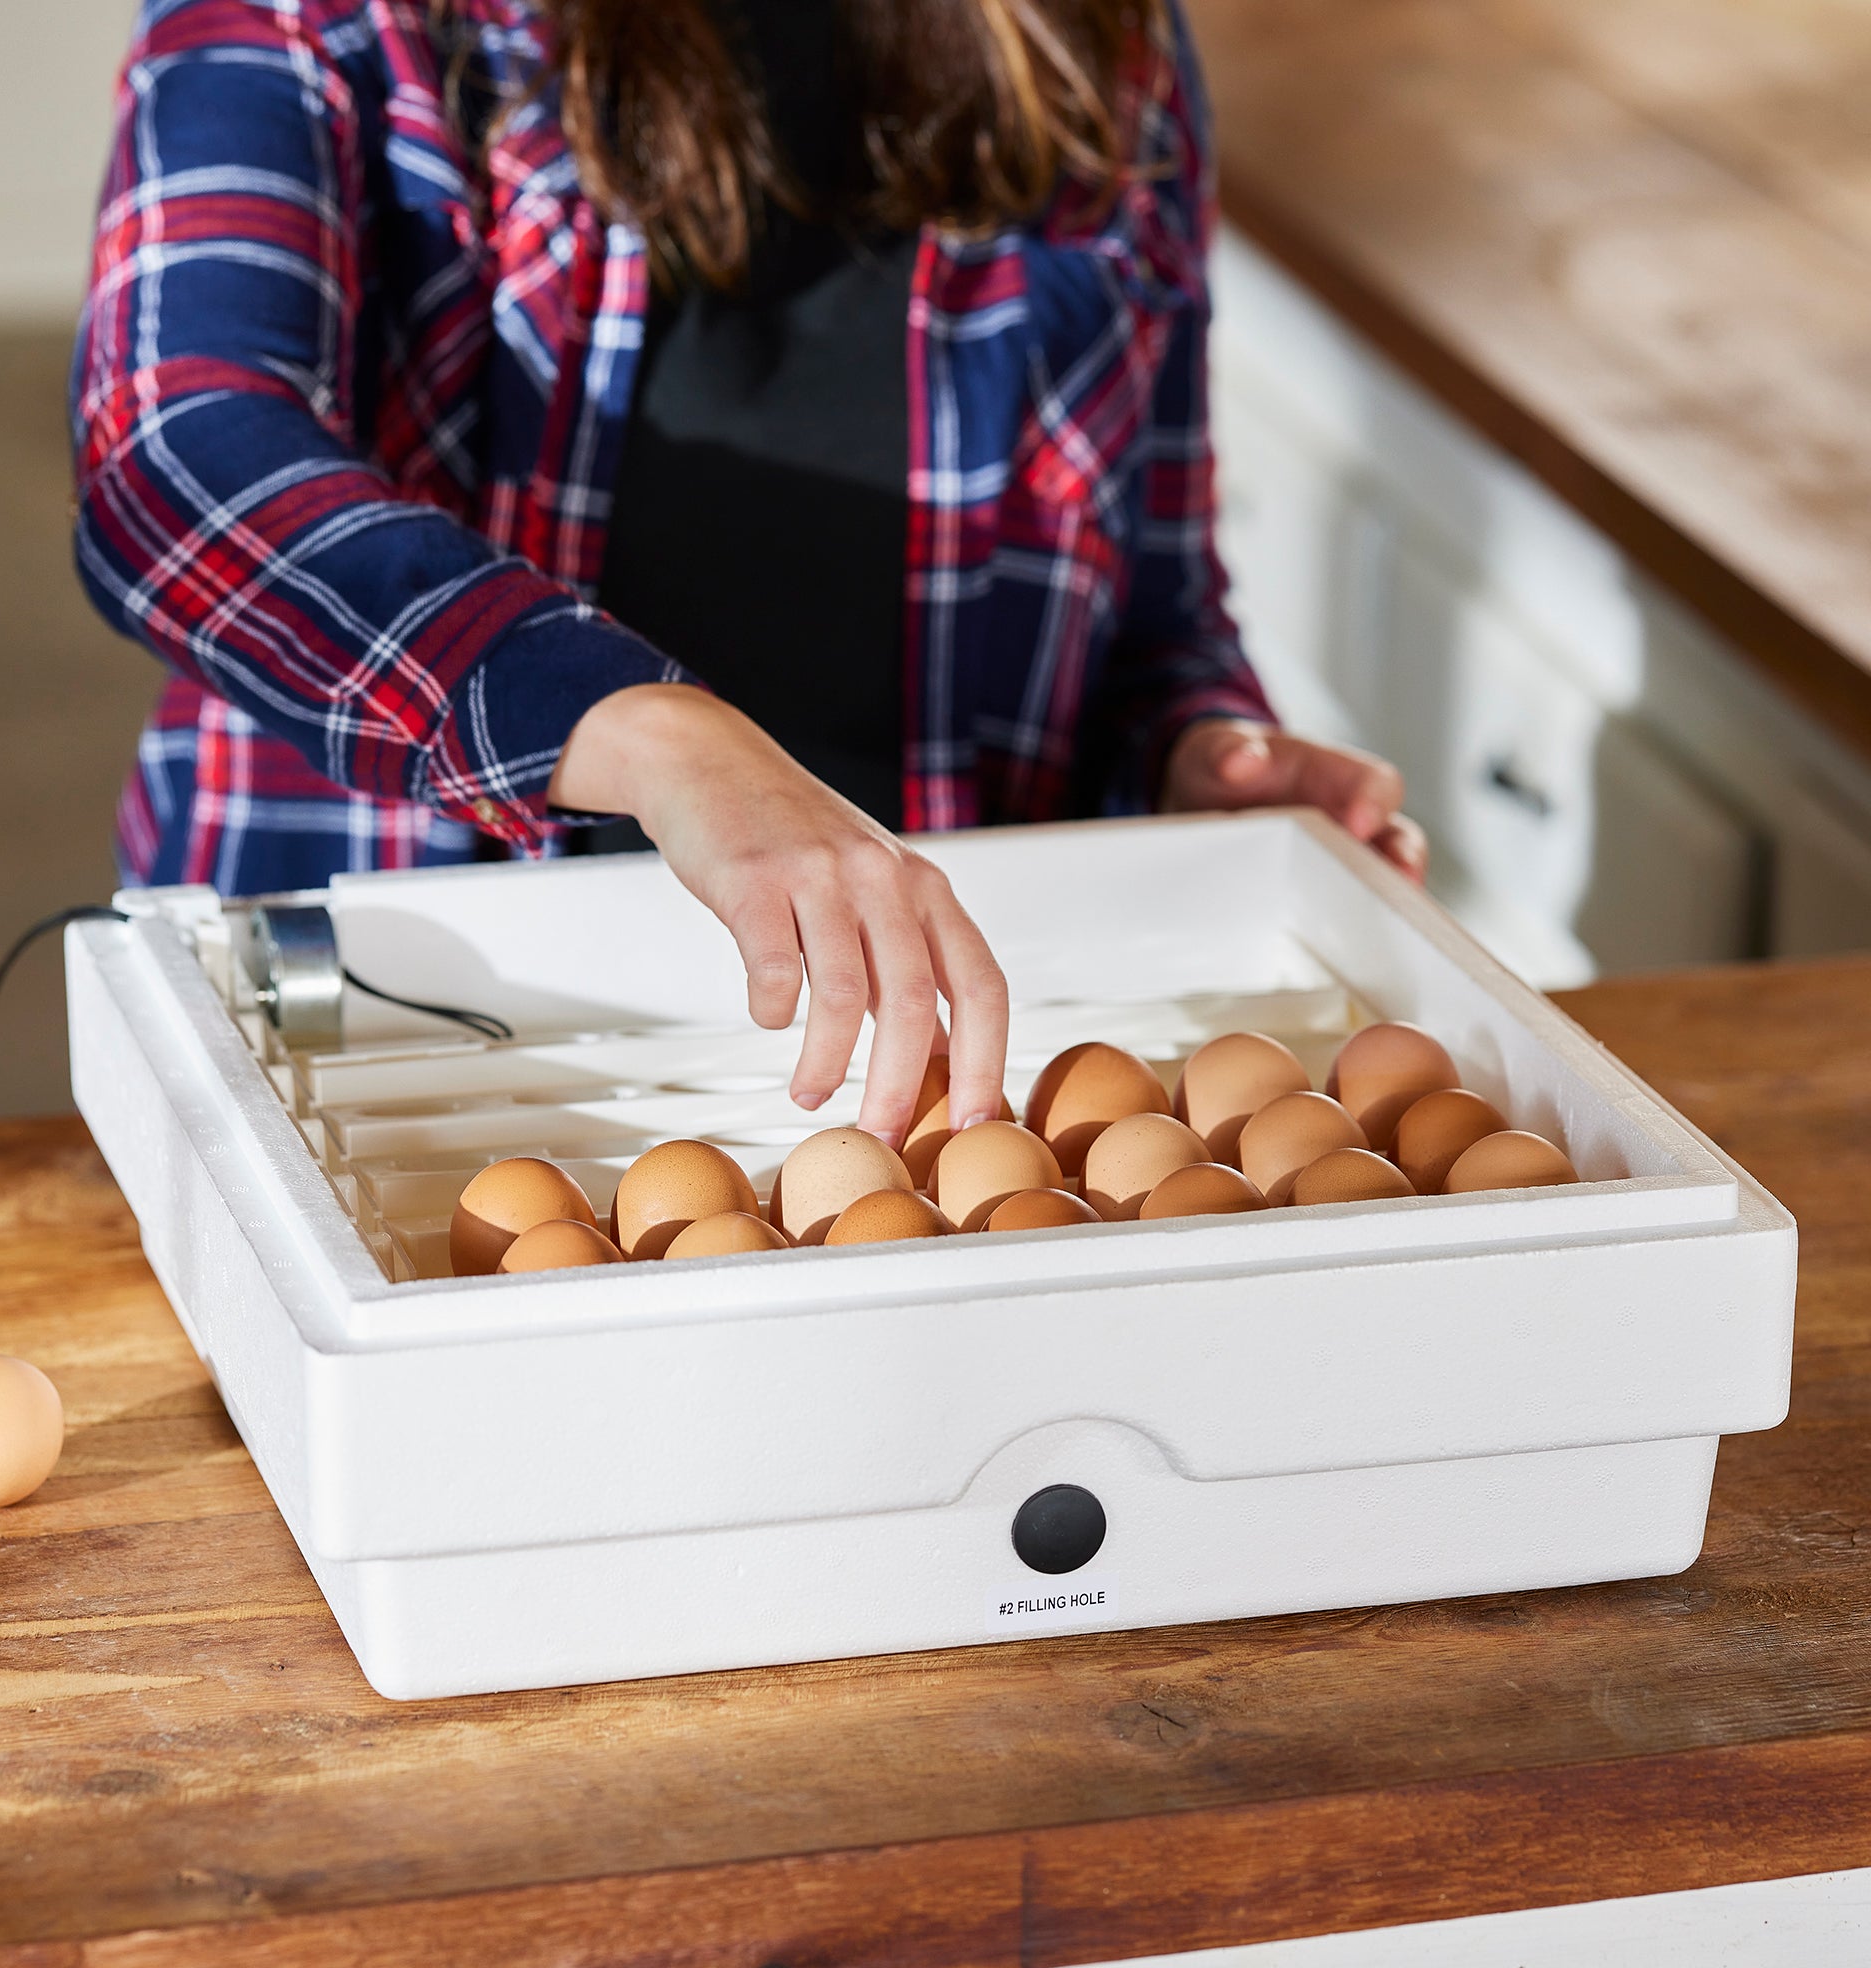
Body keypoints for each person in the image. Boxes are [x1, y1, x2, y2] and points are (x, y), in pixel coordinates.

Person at [71, 0, 1422, 1152]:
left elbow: (1154, 597)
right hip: (404, 1030)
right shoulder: (342, 23)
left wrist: (1195, 749)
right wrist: (647, 732)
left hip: (915, 1073)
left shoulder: (1095, 42)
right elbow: (174, 457)